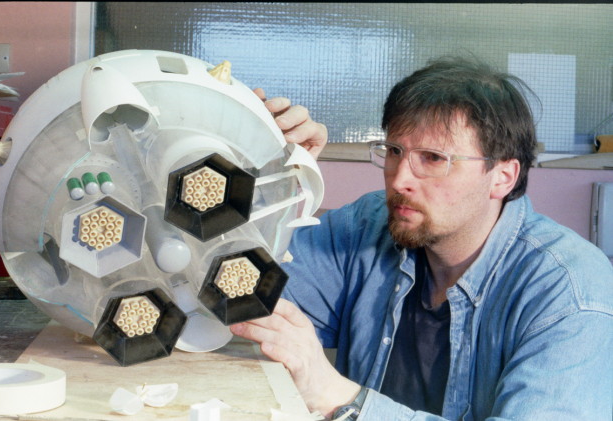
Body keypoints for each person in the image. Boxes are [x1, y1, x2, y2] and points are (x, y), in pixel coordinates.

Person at [232, 56, 613, 420]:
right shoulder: (369, 225)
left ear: (503, 177)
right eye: (394, 151)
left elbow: (331, 394)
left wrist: (340, 399)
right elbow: (238, 295)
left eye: (433, 158)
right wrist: (271, 177)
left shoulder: (570, 291)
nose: (399, 180)